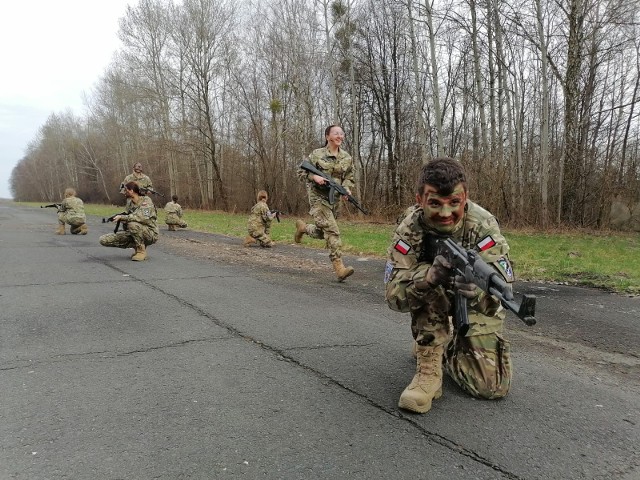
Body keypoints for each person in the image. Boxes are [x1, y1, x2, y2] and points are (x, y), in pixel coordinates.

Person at [384, 157, 515, 414]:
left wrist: (478, 291)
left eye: (454, 203)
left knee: (491, 387)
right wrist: (428, 278)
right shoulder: (409, 229)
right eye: (435, 203)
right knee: (426, 277)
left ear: (465, 197)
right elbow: (392, 297)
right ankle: (429, 359)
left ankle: (449, 348)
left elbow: (502, 284)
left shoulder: (483, 225)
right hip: (433, 295)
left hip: (471, 298)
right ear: (420, 199)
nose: (445, 214)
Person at [295, 124, 356, 281]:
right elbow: (301, 171)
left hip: (334, 201)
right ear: (327, 136)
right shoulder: (317, 154)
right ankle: (339, 268)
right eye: (336, 133)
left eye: (341, 134)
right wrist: (314, 177)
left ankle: (303, 228)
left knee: (323, 233)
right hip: (318, 199)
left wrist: (347, 189)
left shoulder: (347, 158)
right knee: (333, 231)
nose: (339, 136)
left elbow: (350, 177)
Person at [99, 181, 158, 261]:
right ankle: (136, 247)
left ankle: (141, 251)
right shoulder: (130, 203)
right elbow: (128, 217)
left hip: (150, 233)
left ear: (131, 191)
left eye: (126, 190)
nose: (124, 192)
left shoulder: (146, 201)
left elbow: (143, 218)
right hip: (135, 233)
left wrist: (124, 217)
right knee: (104, 240)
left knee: (132, 224)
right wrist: (121, 219)